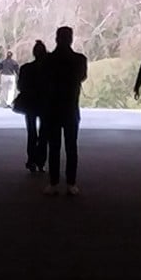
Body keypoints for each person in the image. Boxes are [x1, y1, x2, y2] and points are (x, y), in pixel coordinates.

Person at [41, 26, 87, 196]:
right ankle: (71, 183)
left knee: (53, 146)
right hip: (70, 107)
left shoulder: (48, 59)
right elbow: (82, 76)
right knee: (71, 147)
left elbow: (43, 79)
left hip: (52, 107)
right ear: (71, 39)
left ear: (56, 39)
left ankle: (53, 183)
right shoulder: (80, 59)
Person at [13, 40, 49, 173]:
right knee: (44, 134)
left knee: (32, 132)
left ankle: (31, 159)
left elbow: (20, 86)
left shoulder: (26, 68)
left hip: (30, 103)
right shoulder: (50, 70)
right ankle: (41, 161)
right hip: (46, 103)